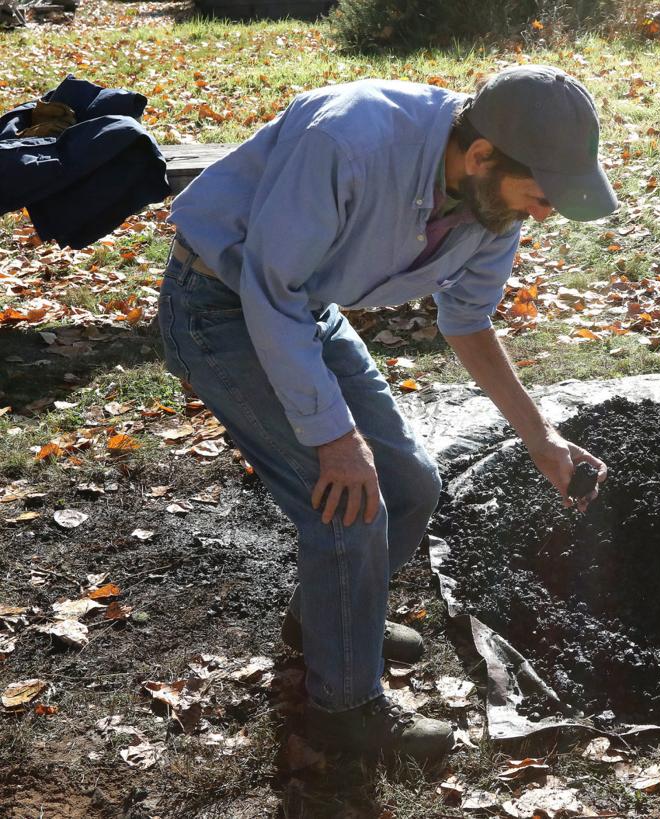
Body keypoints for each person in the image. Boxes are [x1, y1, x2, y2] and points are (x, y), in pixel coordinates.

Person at [158, 65, 613, 759]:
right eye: (540, 196)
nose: (544, 214)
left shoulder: (495, 202)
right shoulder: (351, 141)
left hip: (303, 306)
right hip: (221, 301)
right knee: (347, 499)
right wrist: (334, 436)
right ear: (482, 155)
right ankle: (344, 714)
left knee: (410, 484)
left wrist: (541, 436)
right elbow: (269, 293)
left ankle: (325, 627)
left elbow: (466, 320)